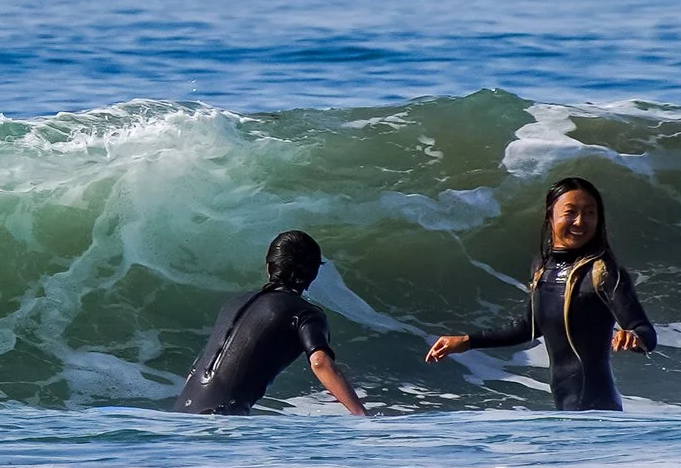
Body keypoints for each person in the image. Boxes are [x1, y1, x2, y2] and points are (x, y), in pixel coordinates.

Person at [425, 175, 656, 411]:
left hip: (598, 412)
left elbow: (646, 331)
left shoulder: (603, 272)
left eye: (589, 213)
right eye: (570, 212)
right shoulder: (542, 267)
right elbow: (530, 327)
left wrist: (633, 337)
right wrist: (468, 341)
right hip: (568, 411)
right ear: (550, 214)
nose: (580, 221)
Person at [178, 231, 368, 416]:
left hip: (180, 417)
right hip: (220, 420)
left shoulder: (235, 303)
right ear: (314, 274)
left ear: (269, 267)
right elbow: (320, 362)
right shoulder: (305, 313)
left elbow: (197, 367)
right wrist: (362, 415)